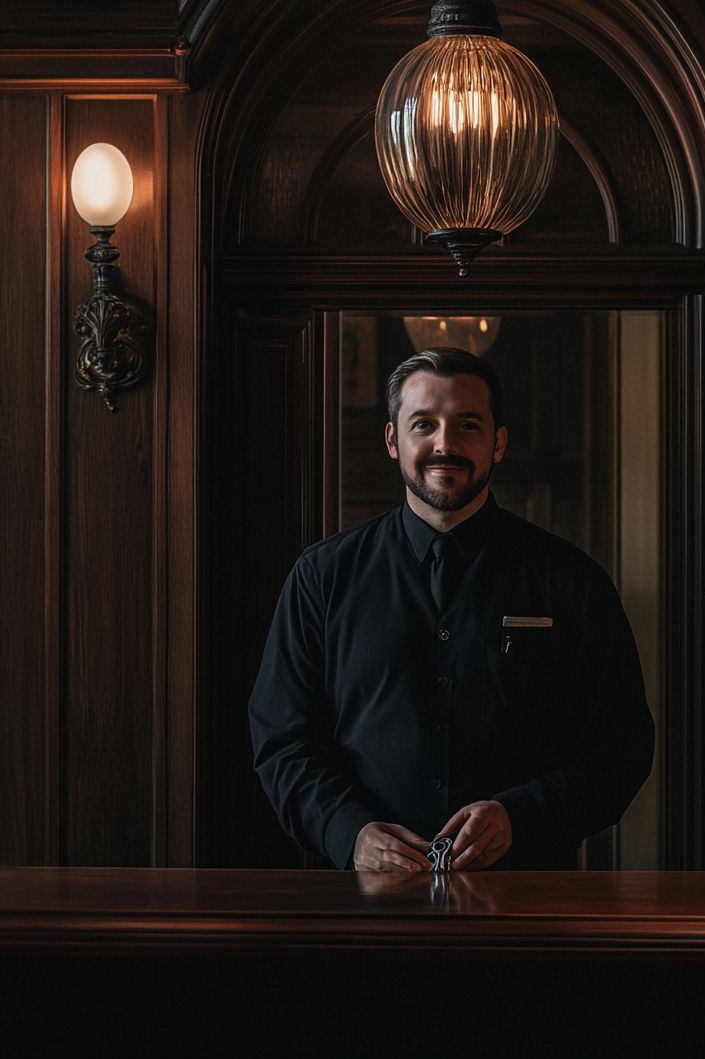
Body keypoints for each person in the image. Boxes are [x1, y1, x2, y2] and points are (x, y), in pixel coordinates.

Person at [249, 347, 654, 873]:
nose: (446, 444)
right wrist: (348, 832)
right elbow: (284, 741)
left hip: (530, 900)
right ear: (394, 440)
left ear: (498, 443)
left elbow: (620, 748)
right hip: (364, 906)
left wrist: (520, 817)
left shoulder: (572, 581)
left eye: (468, 425)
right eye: (424, 424)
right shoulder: (321, 578)